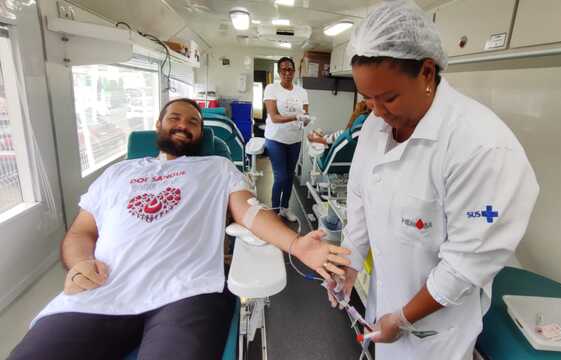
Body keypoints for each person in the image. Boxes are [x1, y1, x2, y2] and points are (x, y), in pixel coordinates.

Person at [9, 98, 350, 360]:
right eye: (174, 118)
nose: (183, 125)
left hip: (187, 292)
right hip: (102, 290)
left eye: (193, 122)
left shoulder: (216, 168)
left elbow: (248, 211)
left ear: (201, 134)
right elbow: (80, 232)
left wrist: (296, 245)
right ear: (158, 124)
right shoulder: (118, 174)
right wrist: (81, 261)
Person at [325, 2, 539, 359]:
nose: (376, 112)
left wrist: (404, 319)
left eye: (388, 97)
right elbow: (361, 203)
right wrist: (348, 264)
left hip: (435, 335)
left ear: (427, 72)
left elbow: (465, 263)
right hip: (385, 311)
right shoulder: (376, 130)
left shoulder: (482, 147)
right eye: (368, 99)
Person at [264, 57, 310, 222]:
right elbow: (275, 117)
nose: (287, 73)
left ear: (294, 71)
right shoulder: (271, 88)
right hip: (275, 138)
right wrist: (295, 116)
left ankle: (285, 207)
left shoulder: (302, 92)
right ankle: (274, 210)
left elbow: (304, 115)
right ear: (279, 72)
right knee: (281, 176)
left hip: (294, 139)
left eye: (290, 69)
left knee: (290, 176)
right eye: (283, 69)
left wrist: (305, 119)